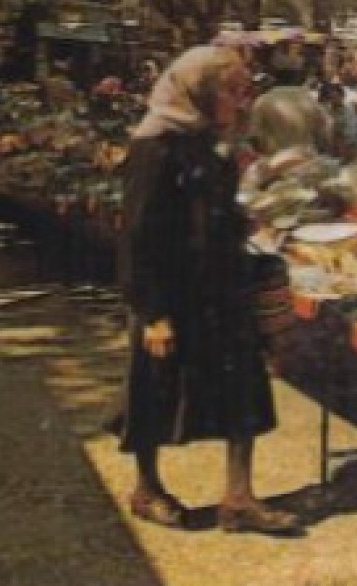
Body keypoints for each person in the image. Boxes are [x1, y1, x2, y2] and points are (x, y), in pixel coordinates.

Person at [115, 47, 301, 536]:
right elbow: (138, 235)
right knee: (154, 392)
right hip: (171, 295)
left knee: (244, 387)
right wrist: (152, 313)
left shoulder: (207, 142)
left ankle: (239, 499)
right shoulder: (155, 147)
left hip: (220, 288)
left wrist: (242, 220)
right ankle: (146, 489)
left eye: (245, 90)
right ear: (198, 91)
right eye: (232, 90)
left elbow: (208, 208)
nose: (242, 101)